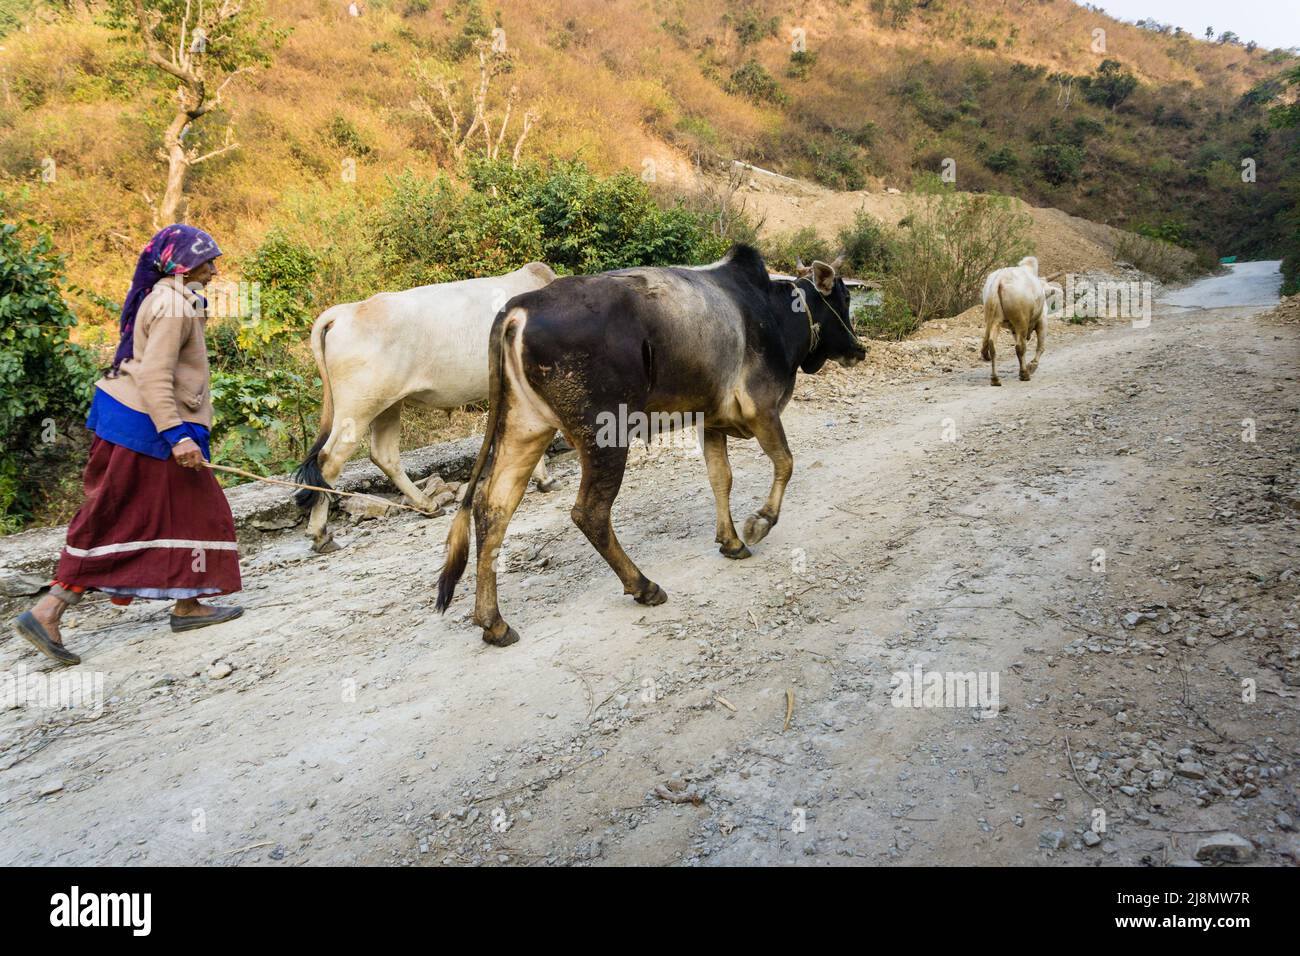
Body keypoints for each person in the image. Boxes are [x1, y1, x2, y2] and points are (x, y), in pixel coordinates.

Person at [11, 224, 244, 666]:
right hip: (146, 429)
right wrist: (176, 436)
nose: (215, 270)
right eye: (207, 261)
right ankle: (49, 610)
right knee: (119, 521)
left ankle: (189, 603)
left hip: (135, 421)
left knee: (193, 513)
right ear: (182, 264)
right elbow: (155, 376)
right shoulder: (173, 307)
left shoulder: (166, 296)